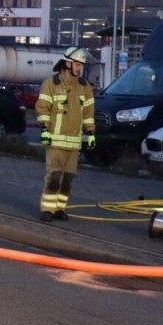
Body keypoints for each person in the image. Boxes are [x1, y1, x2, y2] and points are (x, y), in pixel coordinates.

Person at [34, 46, 95, 222]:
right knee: (53, 178)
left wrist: (90, 134)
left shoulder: (84, 87)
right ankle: (47, 209)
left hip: (74, 143)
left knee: (67, 180)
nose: (79, 68)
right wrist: (44, 129)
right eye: (76, 64)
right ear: (67, 63)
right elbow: (42, 108)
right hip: (56, 141)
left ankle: (60, 209)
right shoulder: (51, 84)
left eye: (81, 65)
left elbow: (88, 113)